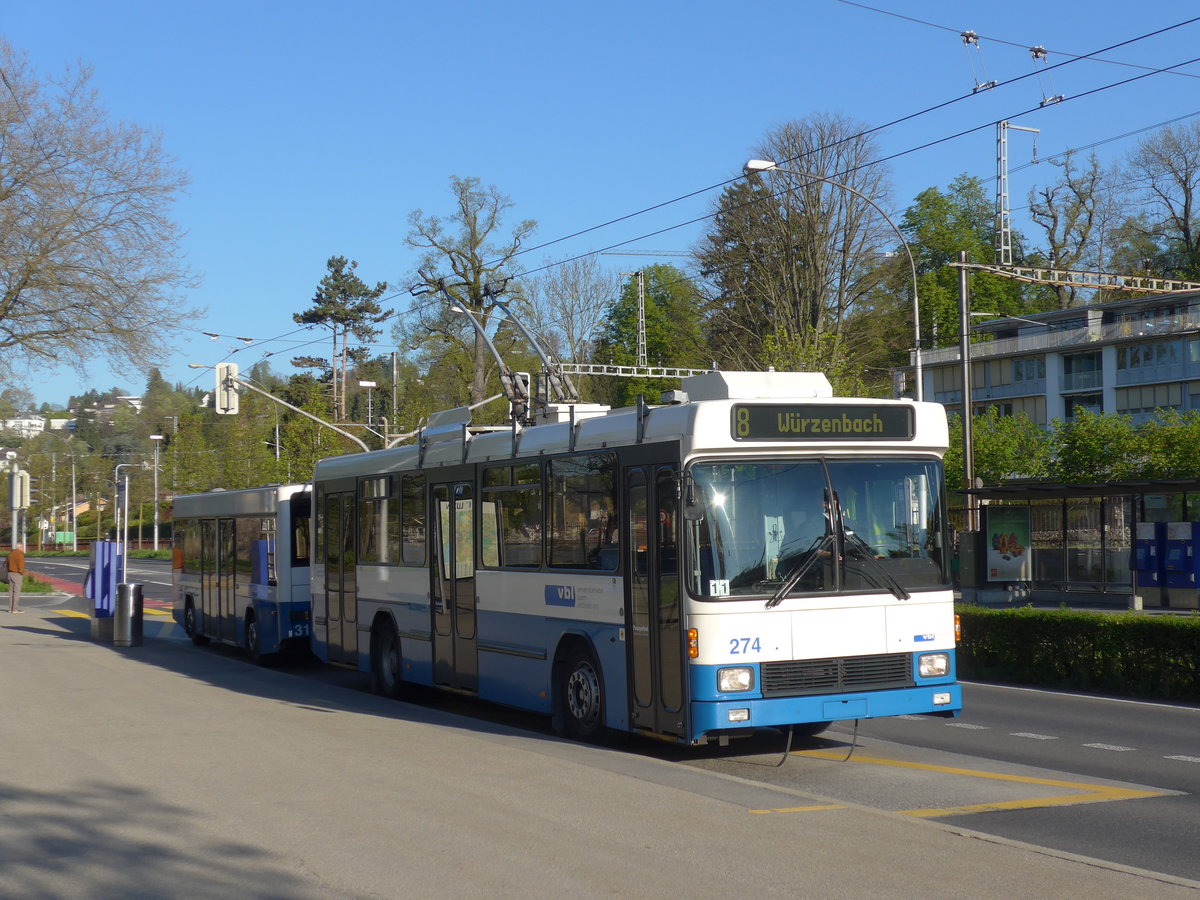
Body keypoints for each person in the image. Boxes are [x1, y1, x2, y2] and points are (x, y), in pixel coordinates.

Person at [7, 542, 26, 613]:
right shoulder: (20, 555)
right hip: (17, 574)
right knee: (16, 592)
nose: (23, 549)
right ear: (20, 547)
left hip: (10, 573)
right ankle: (15, 609)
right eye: (23, 547)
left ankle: (10, 608)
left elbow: (7, 563)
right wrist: (21, 573)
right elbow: (21, 566)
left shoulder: (11, 553)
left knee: (11, 592)